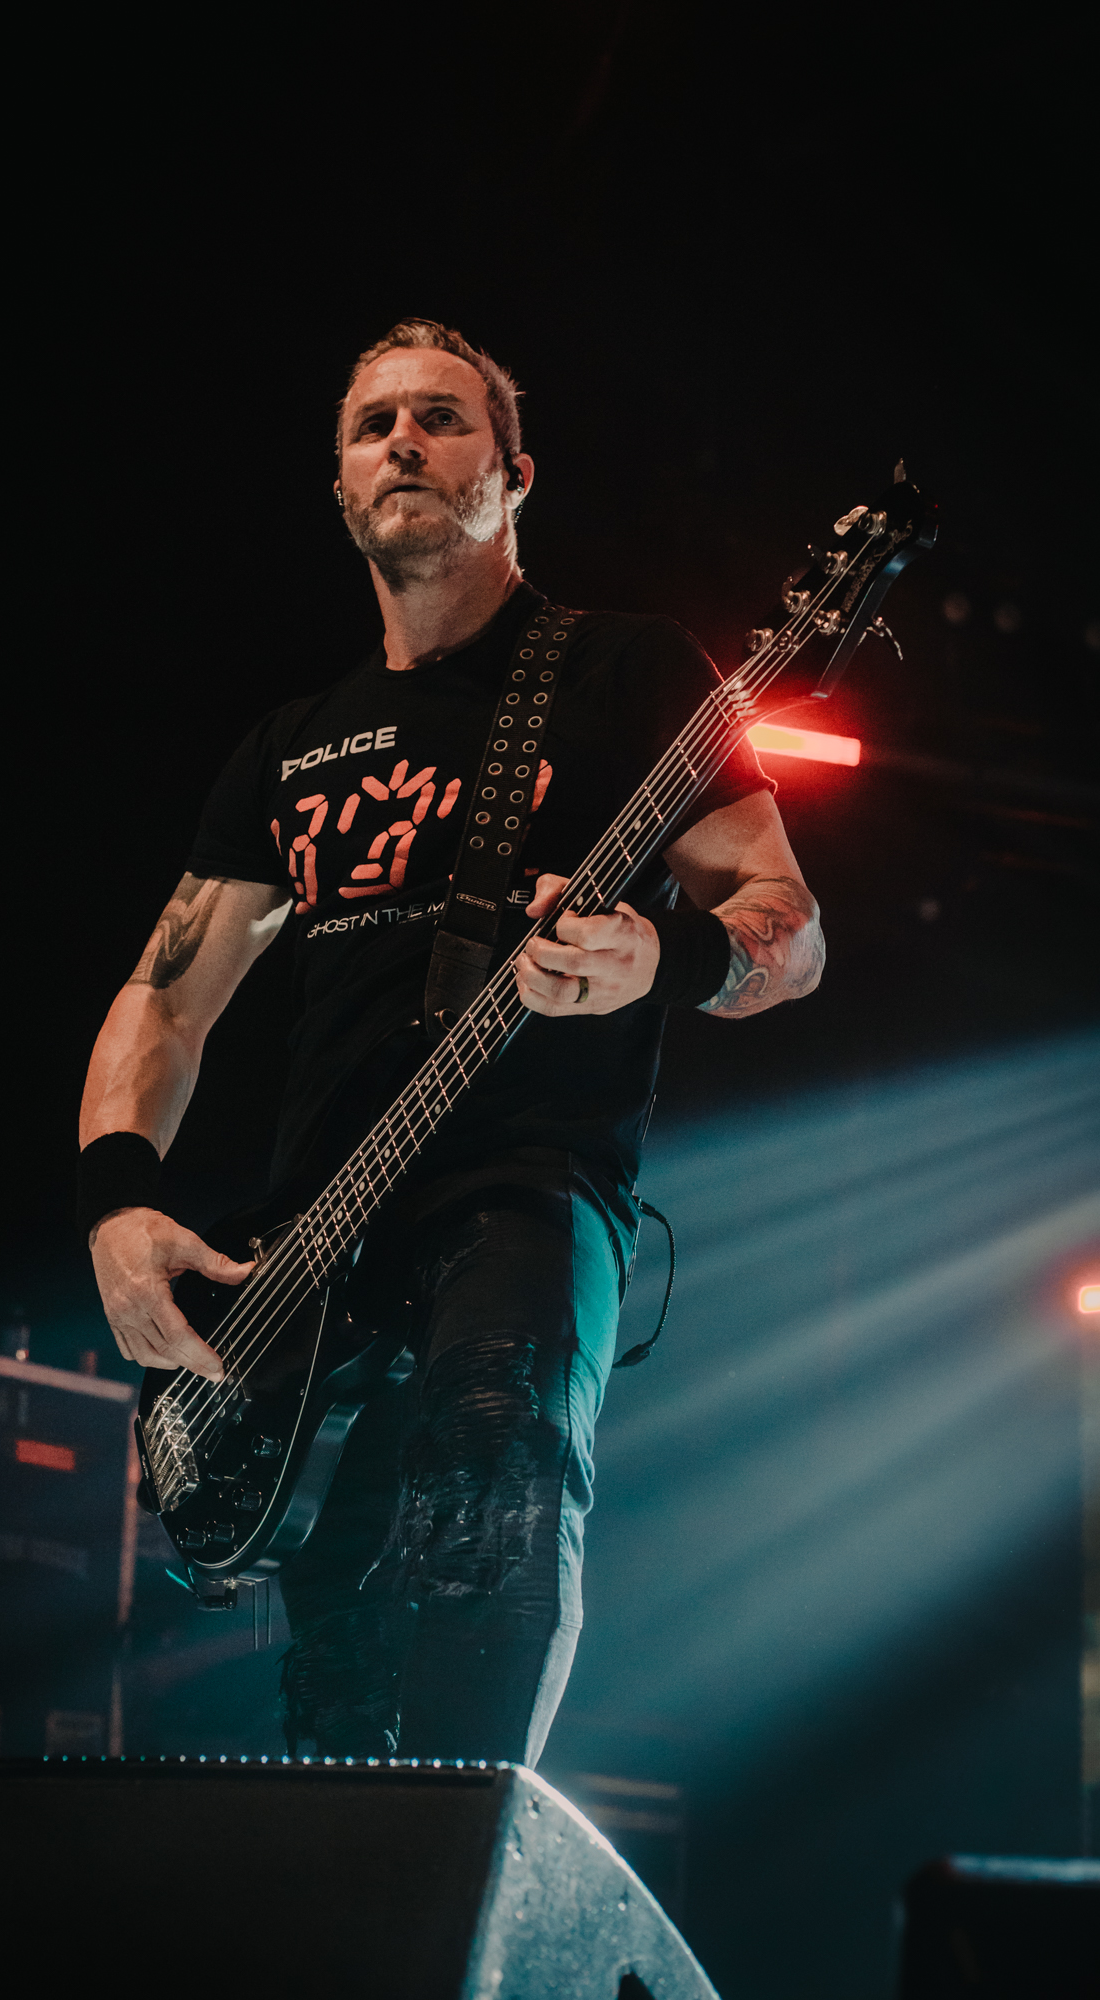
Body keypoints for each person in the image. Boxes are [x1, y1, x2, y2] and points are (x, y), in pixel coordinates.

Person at [78, 319, 823, 1767]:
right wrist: (114, 1202)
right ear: (340, 487)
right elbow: (164, 997)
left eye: (441, 418)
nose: (403, 443)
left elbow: (789, 934)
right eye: (373, 426)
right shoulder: (291, 742)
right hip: (315, 1234)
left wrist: (659, 957)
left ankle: (468, 1850)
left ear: (514, 474)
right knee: (337, 1623)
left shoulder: (622, 671)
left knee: (493, 1456)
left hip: (523, 1174)